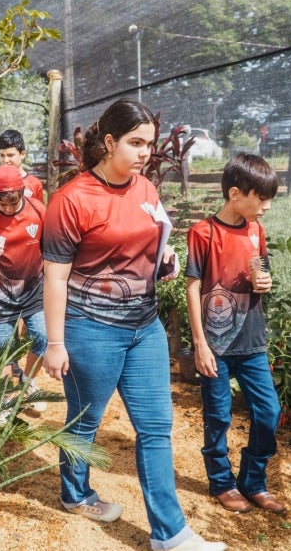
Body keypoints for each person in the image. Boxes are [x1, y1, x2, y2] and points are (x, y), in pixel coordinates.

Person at [42, 98, 226, 551]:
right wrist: (55, 342)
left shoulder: (145, 189)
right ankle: (75, 493)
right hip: (90, 329)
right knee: (85, 423)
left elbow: (155, 235)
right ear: (109, 142)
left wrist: (165, 257)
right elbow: (55, 277)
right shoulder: (72, 200)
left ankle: (170, 533)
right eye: (135, 143)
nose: (145, 152)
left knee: (156, 428)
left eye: (149, 144)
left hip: (144, 327)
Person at [184, 153, 284, 516]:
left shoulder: (257, 230)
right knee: (219, 415)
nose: (267, 207)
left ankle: (253, 482)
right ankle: (222, 482)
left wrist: (266, 281)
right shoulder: (203, 233)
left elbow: (263, 272)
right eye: (262, 198)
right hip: (216, 345)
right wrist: (200, 345)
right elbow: (193, 288)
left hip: (252, 342)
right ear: (236, 194)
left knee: (268, 412)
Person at [0, 164, 48, 414]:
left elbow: (53, 249)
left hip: (33, 288)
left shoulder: (38, 210)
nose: (7, 208)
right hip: (0, 292)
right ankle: (4, 399)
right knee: (2, 348)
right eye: (1, 203)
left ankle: (28, 382)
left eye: (12, 202)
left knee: (43, 338)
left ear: (22, 192)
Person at [0, 129, 43, 205]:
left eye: (10, 155)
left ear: (22, 154)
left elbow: (39, 213)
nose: (5, 160)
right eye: (2, 155)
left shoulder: (34, 184)